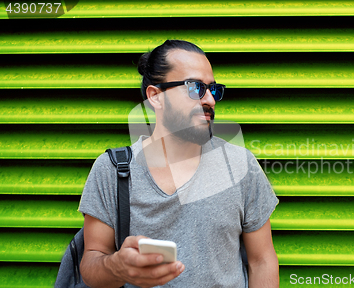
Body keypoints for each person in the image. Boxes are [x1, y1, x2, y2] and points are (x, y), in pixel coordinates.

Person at [78, 39, 280, 288]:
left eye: (213, 89)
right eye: (195, 87)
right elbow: (91, 264)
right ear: (156, 96)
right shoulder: (113, 170)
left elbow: (262, 261)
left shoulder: (239, 165)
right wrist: (117, 267)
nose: (210, 101)